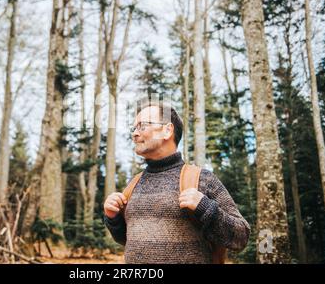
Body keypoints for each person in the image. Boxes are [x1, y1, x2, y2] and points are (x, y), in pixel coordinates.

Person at [103, 99, 250, 263]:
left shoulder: (202, 179)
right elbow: (126, 239)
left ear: (167, 131)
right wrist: (113, 217)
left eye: (142, 126)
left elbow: (241, 237)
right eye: (134, 128)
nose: (135, 134)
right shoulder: (133, 184)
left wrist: (207, 208)